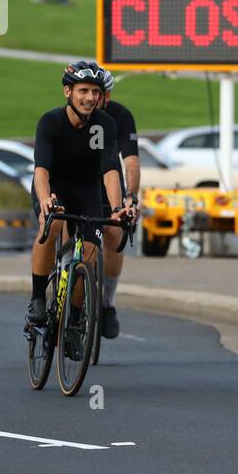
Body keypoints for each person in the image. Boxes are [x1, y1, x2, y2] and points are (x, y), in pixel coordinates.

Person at [26, 62, 129, 354]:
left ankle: (72, 318)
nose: (90, 98)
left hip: (86, 190)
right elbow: (41, 170)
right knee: (53, 223)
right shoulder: (50, 122)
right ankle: (37, 297)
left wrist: (117, 209)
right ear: (67, 91)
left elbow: (110, 170)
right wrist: (46, 199)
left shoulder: (105, 125)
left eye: (96, 92)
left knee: (90, 252)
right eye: (83, 91)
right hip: (54, 186)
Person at [93, 65, 139, 341]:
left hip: (106, 182)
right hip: (71, 184)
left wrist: (131, 195)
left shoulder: (119, 117)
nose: (98, 99)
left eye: (102, 94)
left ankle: (107, 302)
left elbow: (130, 161)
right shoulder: (66, 117)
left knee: (115, 232)